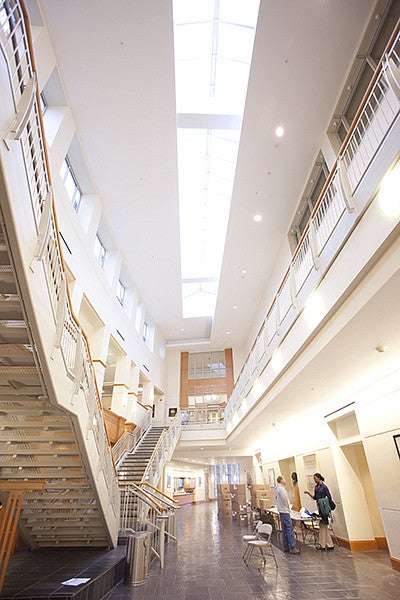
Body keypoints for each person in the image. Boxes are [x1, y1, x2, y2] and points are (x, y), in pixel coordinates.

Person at [304, 472, 334, 551]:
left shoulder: (324, 487)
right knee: (323, 526)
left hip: (323, 507)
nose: (314, 480)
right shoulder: (316, 487)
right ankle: (329, 544)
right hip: (319, 507)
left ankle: (322, 545)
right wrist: (308, 493)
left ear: (319, 478)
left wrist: (325, 505)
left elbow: (329, 497)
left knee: (323, 526)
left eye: (315, 478)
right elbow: (315, 497)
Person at [276, 475, 300, 554]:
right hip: (285, 511)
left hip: (281, 510)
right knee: (289, 529)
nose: (285, 481)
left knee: (284, 528)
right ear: (281, 480)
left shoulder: (278, 489)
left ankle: (286, 545)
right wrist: (288, 508)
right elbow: (285, 500)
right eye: (284, 479)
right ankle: (292, 546)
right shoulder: (281, 489)